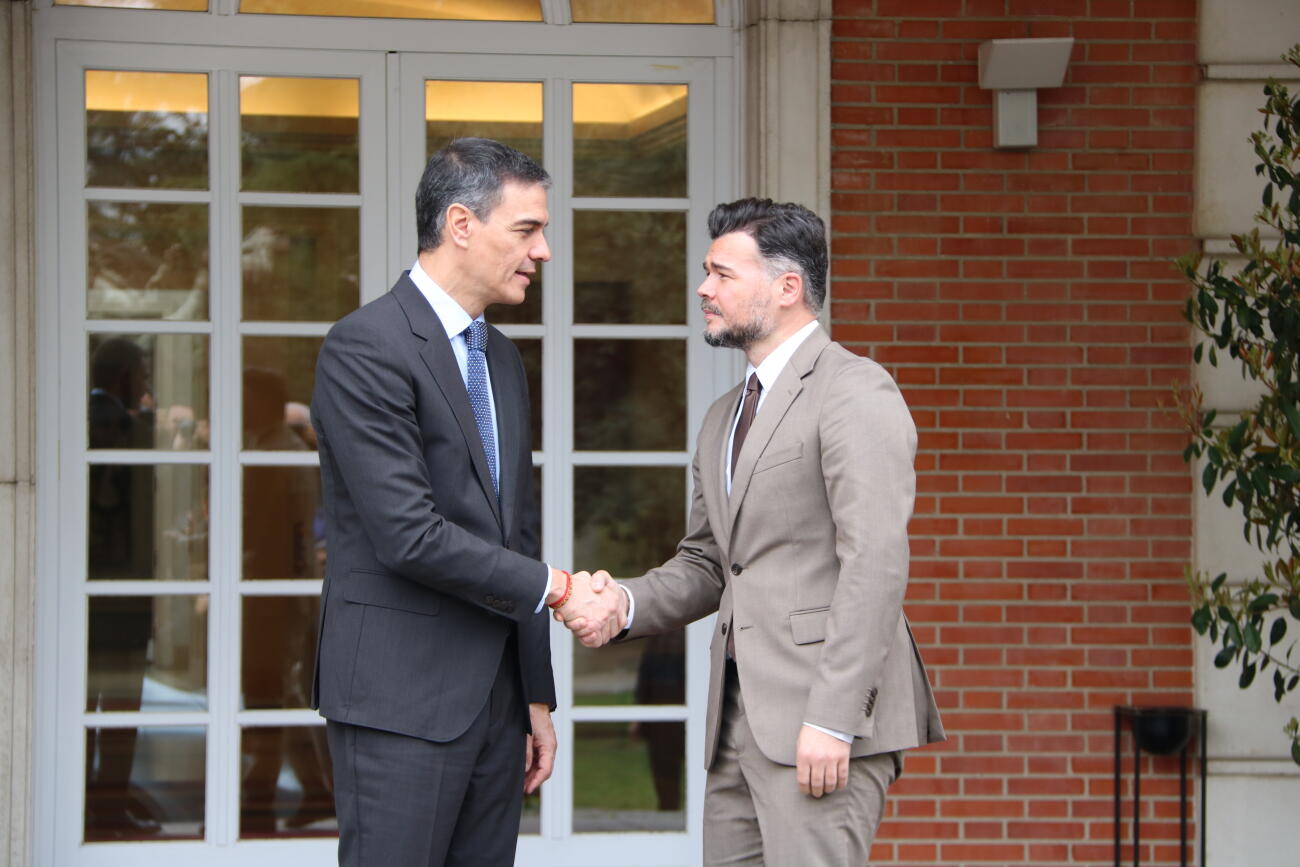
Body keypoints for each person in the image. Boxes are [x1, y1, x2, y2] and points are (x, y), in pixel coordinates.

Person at [562, 198, 946, 865]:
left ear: (787, 287)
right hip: (735, 724)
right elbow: (710, 561)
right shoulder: (722, 417)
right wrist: (623, 604)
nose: (704, 289)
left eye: (722, 274)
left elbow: (875, 563)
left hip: (821, 722)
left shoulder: (855, 391)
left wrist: (832, 716)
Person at [310, 137, 621, 867]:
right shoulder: (365, 347)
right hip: (399, 704)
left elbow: (518, 531)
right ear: (460, 224)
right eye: (526, 229)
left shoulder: (501, 359)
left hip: (497, 707)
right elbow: (408, 534)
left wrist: (534, 696)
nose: (542, 250)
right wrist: (563, 590)